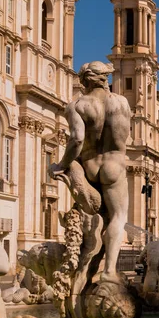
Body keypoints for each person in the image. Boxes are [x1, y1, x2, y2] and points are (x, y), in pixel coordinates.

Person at [49, 61, 131, 282]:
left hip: (89, 167)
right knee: (117, 217)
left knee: (92, 218)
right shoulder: (122, 103)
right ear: (106, 79)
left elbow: (77, 139)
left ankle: (84, 269)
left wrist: (61, 164)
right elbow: (124, 136)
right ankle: (108, 272)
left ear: (84, 81)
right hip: (114, 166)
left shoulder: (76, 105)